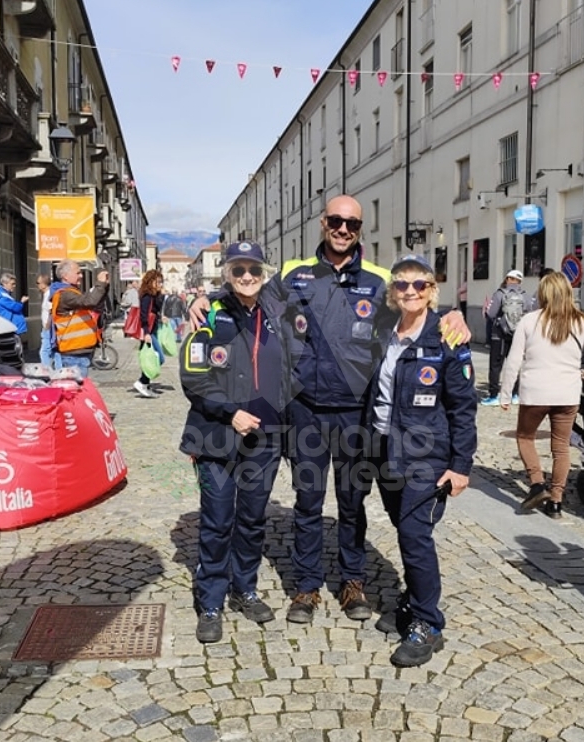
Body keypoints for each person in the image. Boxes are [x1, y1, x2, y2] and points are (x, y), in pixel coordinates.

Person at [188, 194, 470, 625]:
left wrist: (453, 316)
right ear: (323, 223)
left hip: (356, 415)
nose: (343, 229)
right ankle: (306, 586)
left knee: (352, 502)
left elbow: (413, 304)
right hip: (305, 414)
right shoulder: (294, 274)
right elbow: (246, 285)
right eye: (336, 221)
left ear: (360, 229)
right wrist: (203, 299)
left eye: (352, 224)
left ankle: (352, 581)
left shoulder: (378, 280)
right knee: (307, 502)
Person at [367, 254, 477, 667]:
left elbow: (463, 408)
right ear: (392, 292)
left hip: (427, 458)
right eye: (402, 284)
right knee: (404, 530)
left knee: (415, 537)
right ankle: (416, 601)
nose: (410, 291)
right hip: (384, 451)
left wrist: (461, 465)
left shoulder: (446, 338)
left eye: (419, 284)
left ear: (432, 290)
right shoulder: (385, 332)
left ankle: (428, 623)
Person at [179, 242, 287, 643]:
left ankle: (244, 588)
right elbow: (194, 378)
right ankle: (210, 599)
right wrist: (230, 412)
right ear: (226, 273)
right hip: (216, 438)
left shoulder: (277, 315)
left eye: (253, 270)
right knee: (218, 520)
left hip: (265, 439)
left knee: (252, 520)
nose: (246, 276)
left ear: (263, 273)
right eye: (238, 270)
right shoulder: (207, 313)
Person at [498, 271, 584, 518]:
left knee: (525, 437)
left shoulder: (529, 321)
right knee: (561, 447)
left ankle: (537, 484)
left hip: (535, 393)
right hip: (567, 394)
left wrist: (505, 393)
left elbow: (513, 360)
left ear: (543, 295)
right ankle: (556, 501)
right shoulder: (581, 322)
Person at [481, 269, 536, 406]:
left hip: (498, 335)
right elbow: (531, 313)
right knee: (515, 364)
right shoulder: (525, 296)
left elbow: (492, 314)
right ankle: (515, 395)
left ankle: (493, 396)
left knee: (495, 365)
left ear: (507, 279)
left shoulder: (500, 294)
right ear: (520, 281)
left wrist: (487, 312)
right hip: (517, 335)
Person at [50, 260, 110, 378]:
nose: (81, 276)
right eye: (78, 273)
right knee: (76, 391)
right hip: (73, 352)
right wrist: (100, 284)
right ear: (65, 276)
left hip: (79, 350)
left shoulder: (71, 292)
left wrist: (104, 286)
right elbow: (90, 301)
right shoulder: (65, 294)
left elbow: (94, 301)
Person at [135, 269, 166, 398]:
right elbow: (143, 315)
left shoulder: (153, 295)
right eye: (158, 282)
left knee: (151, 357)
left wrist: (161, 295)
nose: (160, 284)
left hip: (152, 330)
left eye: (161, 282)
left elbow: (157, 309)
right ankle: (142, 382)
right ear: (151, 281)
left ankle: (145, 384)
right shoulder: (147, 296)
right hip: (148, 331)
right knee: (159, 357)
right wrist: (146, 332)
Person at [0, 272, 27, 338]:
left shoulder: (3, 294)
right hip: (9, 327)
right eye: (12, 284)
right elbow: (15, 307)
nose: (14, 286)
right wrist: (21, 302)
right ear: (4, 284)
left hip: (10, 327)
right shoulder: (2, 296)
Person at [36, 270, 58, 372]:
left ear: (44, 284)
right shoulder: (46, 294)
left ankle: (46, 372)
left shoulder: (49, 294)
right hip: (49, 327)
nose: (37, 285)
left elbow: (51, 312)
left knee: (44, 352)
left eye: (38, 283)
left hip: (48, 328)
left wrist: (47, 326)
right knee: (55, 351)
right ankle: (59, 370)